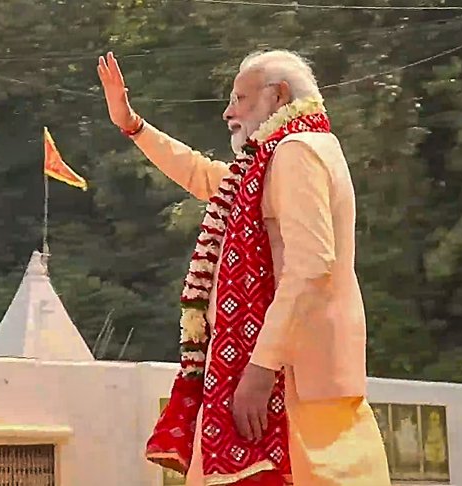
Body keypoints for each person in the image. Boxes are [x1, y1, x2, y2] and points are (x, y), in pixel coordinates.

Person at [97, 50, 391, 486]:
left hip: (290, 380)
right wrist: (132, 124)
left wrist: (260, 367)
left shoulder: (296, 153)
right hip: (292, 374)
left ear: (279, 96)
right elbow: (202, 175)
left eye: (240, 98)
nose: (228, 112)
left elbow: (311, 267)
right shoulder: (269, 163)